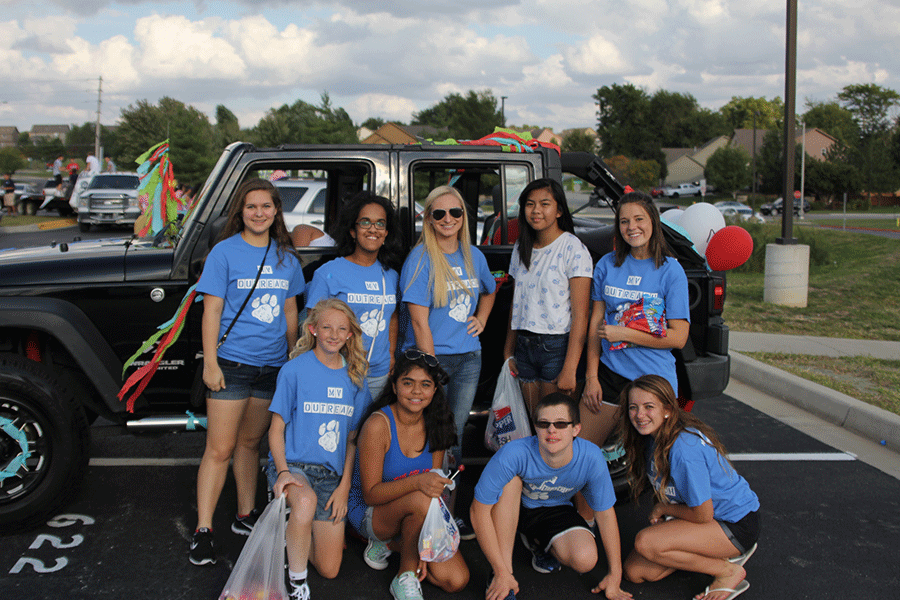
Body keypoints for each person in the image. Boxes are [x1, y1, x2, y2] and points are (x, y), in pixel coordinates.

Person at [190, 178, 305, 566]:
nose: (259, 213)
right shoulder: (224, 253)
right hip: (232, 365)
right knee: (219, 448)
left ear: (276, 212)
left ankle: (244, 515)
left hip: (271, 366)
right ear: (241, 211)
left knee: (249, 445)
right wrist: (210, 362)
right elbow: (212, 310)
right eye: (252, 207)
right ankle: (204, 529)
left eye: (266, 207)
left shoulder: (286, 257)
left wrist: (292, 356)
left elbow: (290, 312)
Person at [470, 392, 631, 600]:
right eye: (544, 423)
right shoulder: (513, 453)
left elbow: (605, 514)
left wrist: (615, 575)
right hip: (514, 507)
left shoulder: (591, 456)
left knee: (585, 559)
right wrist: (500, 571)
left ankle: (538, 542)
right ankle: (503, 575)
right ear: (535, 427)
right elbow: (478, 511)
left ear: (576, 429)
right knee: (511, 481)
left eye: (561, 424)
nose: (551, 430)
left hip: (555, 508)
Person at [619, 375, 759, 600]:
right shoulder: (652, 439)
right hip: (704, 518)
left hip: (735, 524)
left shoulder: (684, 449)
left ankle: (728, 571)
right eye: (633, 407)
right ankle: (711, 554)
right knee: (636, 572)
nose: (639, 415)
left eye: (648, 407)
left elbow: (703, 514)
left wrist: (663, 509)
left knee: (646, 542)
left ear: (667, 410)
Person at [268, 298, 371, 600]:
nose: (334, 334)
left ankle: (292, 536)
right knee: (304, 501)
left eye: (342, 328)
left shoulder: (355, 378)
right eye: (326, 327)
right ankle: (297, 583)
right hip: (294, 465)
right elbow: (276, 430)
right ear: (312, 329)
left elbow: (352, 440)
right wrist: (283, 472)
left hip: (331, 476)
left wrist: (344, 487)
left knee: (329, 568)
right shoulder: (293, 370)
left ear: (351, 334)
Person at [346, 349, 469, 600]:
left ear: (434, 390)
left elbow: (434, 489)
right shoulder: (378, 424)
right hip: (371, 513)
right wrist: (418, 482)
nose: (416, 392)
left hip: (416, 512)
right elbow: (370, 495)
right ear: (394, 385)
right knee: (422, 498)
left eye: (425, 384)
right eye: (408, 383)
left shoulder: (437, 423)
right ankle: (405, 575)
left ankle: (397, 547)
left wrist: (425, 549)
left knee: (456, 580)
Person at [582, 191, 690, 448]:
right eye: (624, 221)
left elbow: (679, 337)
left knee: (661, 463)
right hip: (610, 375)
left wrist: (625, 333)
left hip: (654, 378)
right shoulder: (606, 265)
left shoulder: (671, 270)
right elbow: (596, 324)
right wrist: (591, 377)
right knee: (578, 456)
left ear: (653, 221)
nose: (632, 227)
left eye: (639, 219)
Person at [400, 185, 497, 467]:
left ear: (464, 216)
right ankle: (422, 500)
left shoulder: (474, 256)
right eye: (439, 213)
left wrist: (482, 319)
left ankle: (445, 503)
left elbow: (490, 290)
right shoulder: (420, 258)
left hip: (468, 359)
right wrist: (431, 369)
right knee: (429, 432)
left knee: (454, 436)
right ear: (428, 218)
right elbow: (418, 322)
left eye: (455, 212)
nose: (447, 218)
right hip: (431, 359)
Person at [502, 178, 593, 411]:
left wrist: (570, 367)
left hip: (557, 347)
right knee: (534, 423)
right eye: (530, 204)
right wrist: (508, 351)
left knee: (555, 423)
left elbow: (581, 314)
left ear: (559, 210)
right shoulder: (521, 247)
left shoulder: (573, 248)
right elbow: (517, 302)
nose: (536, 211)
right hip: (524, 345)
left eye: (545, 204)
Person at [305, 192, 403, 399]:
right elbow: (312, 326)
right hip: (340, 370)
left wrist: (391, 355)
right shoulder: (328, 273)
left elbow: (391, 316)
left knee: (371, 431)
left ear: (386, 233)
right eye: (365, 222)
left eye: (380, 224)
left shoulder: (391, 276)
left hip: (379, 374)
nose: (373, 229)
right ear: (352, 230)